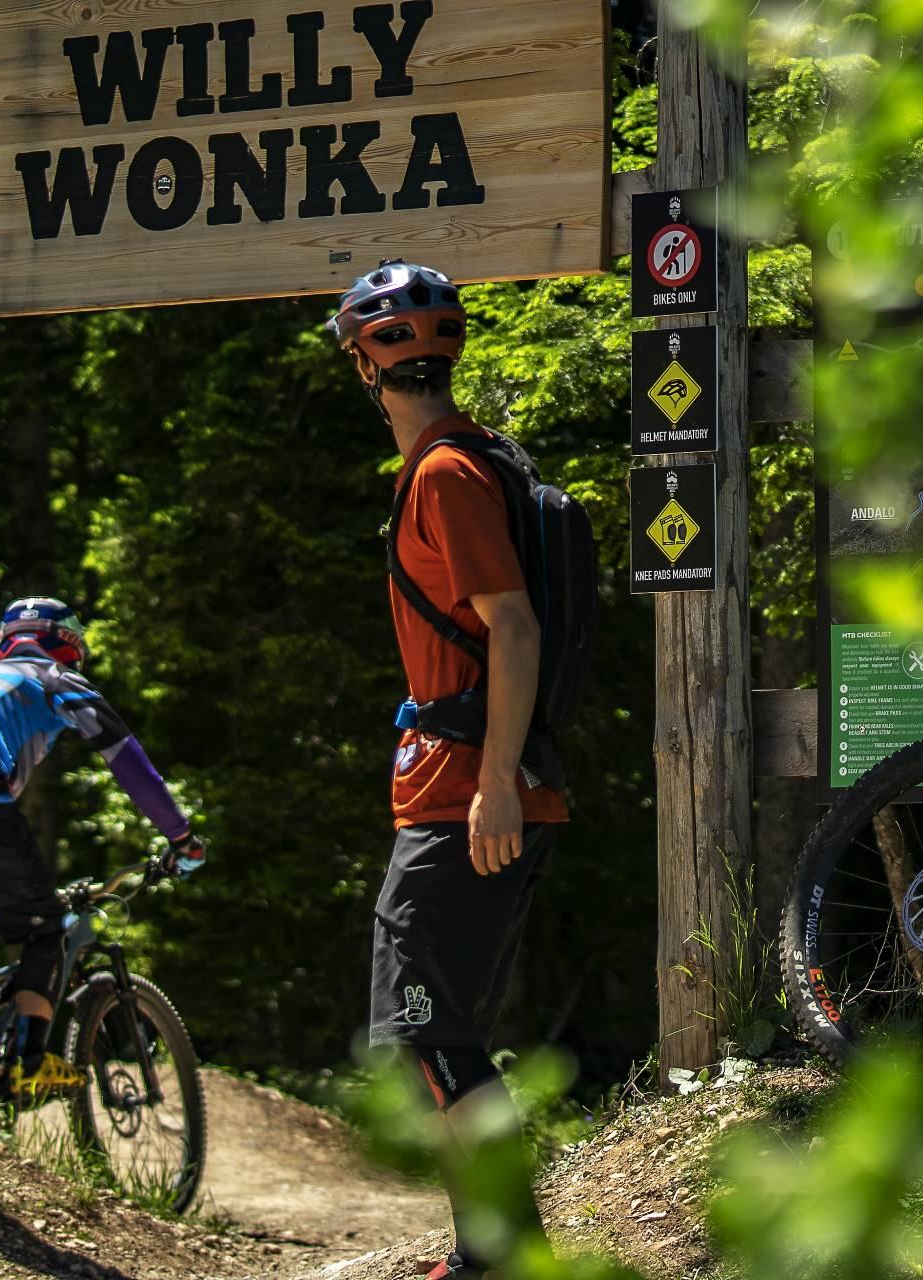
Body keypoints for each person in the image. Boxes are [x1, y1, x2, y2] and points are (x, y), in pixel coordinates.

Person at [328, 260, 563, 1280]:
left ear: (365, 366)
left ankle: (506, 1253)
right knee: (438, 1031)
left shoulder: (447, 474)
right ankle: (487, 1249)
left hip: (469, 792)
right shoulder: (464, 463)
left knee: (427, 1030)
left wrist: (496, 780)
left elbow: (512, 624)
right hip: (464, 785)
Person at [0, 597, 204, 1100]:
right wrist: (180, 836)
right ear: (69, 644)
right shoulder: (53, 678)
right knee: (43, 927)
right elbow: (128, 760)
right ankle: (27, 1063)